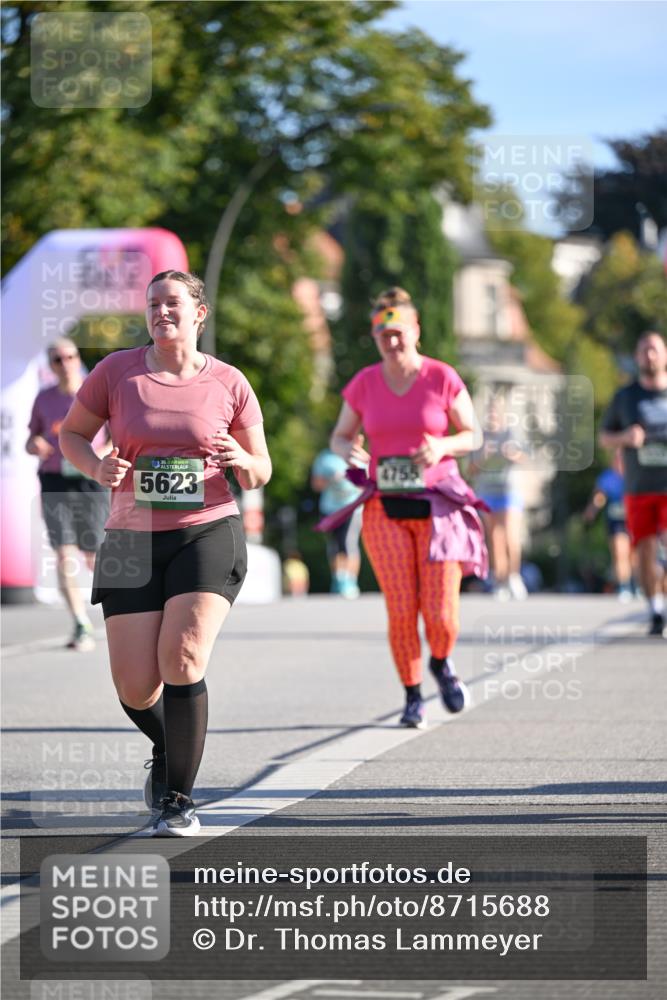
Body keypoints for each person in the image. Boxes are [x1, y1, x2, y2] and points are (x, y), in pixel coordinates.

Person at [59, 270, 271, 835]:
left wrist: (239, 460)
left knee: (182, 658)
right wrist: (96, 466)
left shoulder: (229, 382)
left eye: (173, 302)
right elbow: (72, 435)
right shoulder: (115, 372)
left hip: (206, 530)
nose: (161, 312)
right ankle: (170, 744)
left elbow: (261, 468)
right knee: (134, 685)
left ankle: (178, 799)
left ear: (199, 312)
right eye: (153, 304)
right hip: (130, 536)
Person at [329, 287, 487, 728]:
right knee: (401, 608)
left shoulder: (441, 377)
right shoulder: (364, 383)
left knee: (439, 612)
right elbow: (339, 435)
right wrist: (349, 451)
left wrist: (441, 446)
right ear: (375, 338)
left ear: (415, 331)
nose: (392, 342)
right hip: (385, 507)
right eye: (384, 335)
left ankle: (441, 660)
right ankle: (413, 694)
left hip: (438, 504)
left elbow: (472, 434)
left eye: (399, 332)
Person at [26, 338, 110, 651]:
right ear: (50, 366)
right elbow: (30, 439)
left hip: (90, 479)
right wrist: (34, 445)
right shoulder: (44, 399)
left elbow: (118, 439)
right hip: (54, 479)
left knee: (94, 556)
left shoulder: (96, 393)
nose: (65, 363)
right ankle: (80, 623)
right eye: (57, 359)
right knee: (63, 553)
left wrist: (100, 455)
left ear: (78, 358)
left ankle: (119, 614)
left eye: (70, 356)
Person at [599, 331, 667, 636]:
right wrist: (625, 438)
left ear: (664, 355)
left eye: (654, 350)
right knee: (644, 551)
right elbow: (603, 437)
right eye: (644, 350)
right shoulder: (625, 397)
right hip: (639, 487)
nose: (649, 355)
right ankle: (655, 609)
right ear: (637, 357)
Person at [468, 395, 527, 601]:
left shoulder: (511, 433)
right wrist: (484, 456)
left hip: (508, 490)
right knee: (494, 537)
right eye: (490, 411)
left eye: (496, 411)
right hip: (487, 492)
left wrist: (512, 454)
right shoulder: (480, 438)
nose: (492, 414)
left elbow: (525, 457)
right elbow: (471, 470)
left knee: (511, 534)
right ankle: (499, 579)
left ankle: (514, 576)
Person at [311, 448, 362, 598]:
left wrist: (348, 478)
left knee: (348, 543)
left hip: (351, 507)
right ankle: (338, 579)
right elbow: (316, 485)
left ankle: (350, 580)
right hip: (330, 508)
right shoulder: (324, 458)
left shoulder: (357, 456)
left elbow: (364, 484)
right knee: (334, 545)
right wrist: (329, 479)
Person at [582, 451, 633, 601]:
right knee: (619, 552)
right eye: (616, 458)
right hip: (616, 521)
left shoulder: (634, 475)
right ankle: (624, 586)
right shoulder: (607, 477)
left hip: (633, 521)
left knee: (634, 557)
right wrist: (592, 510)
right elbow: (600, 496)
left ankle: (637, 583)